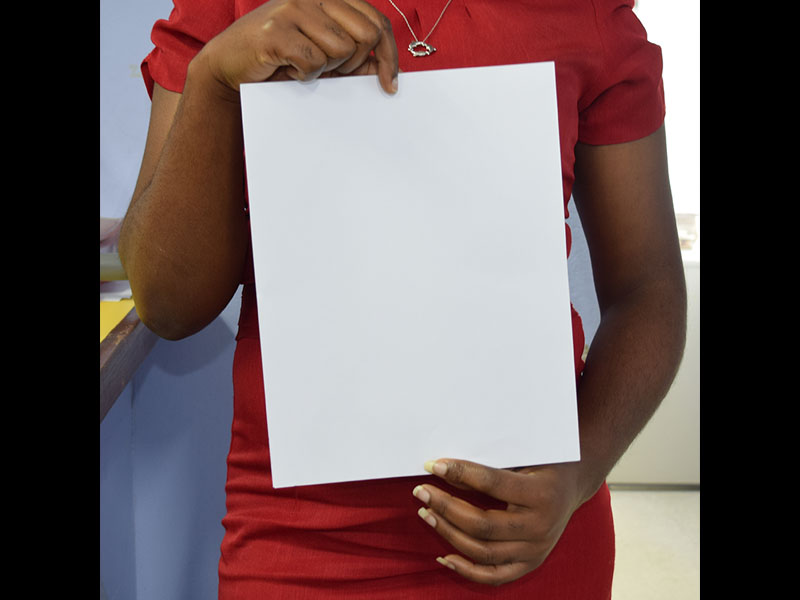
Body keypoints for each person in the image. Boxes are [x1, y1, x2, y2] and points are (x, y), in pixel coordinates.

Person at [118, 0, 687, 597]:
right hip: (303, 545)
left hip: (525, 534)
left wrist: (579, 473)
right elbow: (168, 303)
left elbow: (646, 289)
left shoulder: (581, 12)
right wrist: (216, 79)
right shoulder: (231, 9)